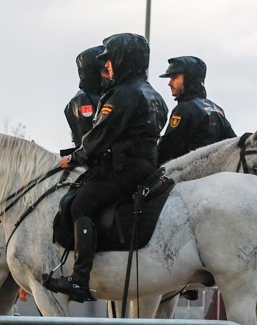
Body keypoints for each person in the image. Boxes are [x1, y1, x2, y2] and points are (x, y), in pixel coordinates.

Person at [43, 32, 168, 302]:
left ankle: (79, 280)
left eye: (110, 59)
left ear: (122, 59)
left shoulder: (122, 94)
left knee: (80, 205)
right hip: (151, 168)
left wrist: (73, 159)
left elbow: (97, 139)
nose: (106, 66)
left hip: (123, 170)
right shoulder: (154, 93)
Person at [155, 56, 235, 165]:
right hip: (213, 175)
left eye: (174, 78)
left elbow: (167, 149)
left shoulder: (183, 109)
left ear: (189, 79)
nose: (170, 83)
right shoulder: (216, 109)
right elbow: (232, 144)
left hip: (188, 177)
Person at [64, 46, 104, 149]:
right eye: (104, 68)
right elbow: (89, 139)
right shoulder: (82, 100)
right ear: (94, 70)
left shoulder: (103, 94)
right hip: (94, 161)